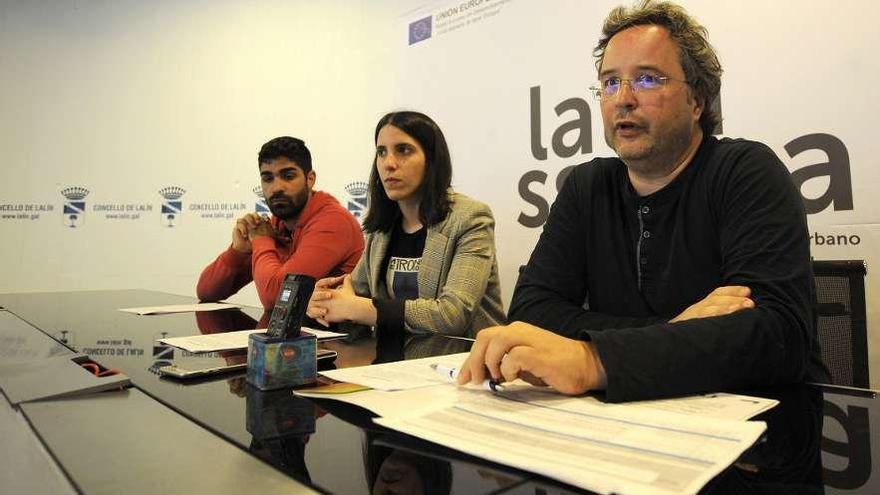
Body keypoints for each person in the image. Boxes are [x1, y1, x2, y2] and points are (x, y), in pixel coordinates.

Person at [459, 0, 827, 402]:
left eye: (648, 79)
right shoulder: (586, 186)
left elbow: (777, 334)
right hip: (632, 425)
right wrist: (673, 327)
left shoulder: (745, 170)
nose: (623, 99)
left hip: (766, 429)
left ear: (697, 100)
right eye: (610, 82)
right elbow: (531, 312)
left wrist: (594, 360)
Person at [306, 111, 505, 357]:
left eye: (403, 150)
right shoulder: (383, 230)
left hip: (464, 368)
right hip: (395, 367)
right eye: (381, 152)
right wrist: (324, 303)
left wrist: (355, 308)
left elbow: (452, 315)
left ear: (432, 160)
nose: (389, 163)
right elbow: (354, 297)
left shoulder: (470, 218)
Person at [197, 136, 364, 310]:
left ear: (310, 179)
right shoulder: (276, 225)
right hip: (300, 332)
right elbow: (206, 292)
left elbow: (276, 298)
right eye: (268, 178)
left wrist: (261, 240)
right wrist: (238, 252)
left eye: (288, 176)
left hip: (342, 335)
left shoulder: (333, 222)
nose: (276, 188)